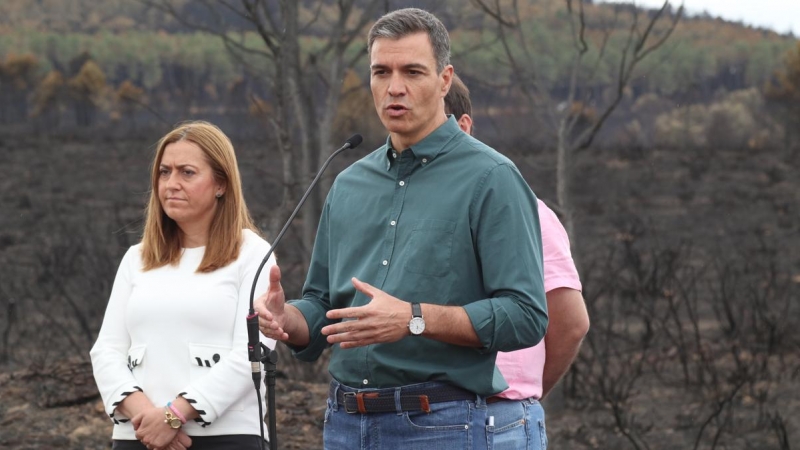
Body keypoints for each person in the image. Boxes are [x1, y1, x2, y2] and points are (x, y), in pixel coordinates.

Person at [256, 8, 548, 449]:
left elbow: (526, 316)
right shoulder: (349, 183)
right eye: (381, 71)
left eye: (412, 71)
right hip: (344, 424)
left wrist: (413, 319)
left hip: (441, 426)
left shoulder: (492, 178)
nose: (395, 87)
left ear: (445, 79)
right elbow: (323, 306)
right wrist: (288, 320)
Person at [90, 121, 276, 450]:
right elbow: (106, 351)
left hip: (226, 437)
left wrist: (174, 416)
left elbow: (252, 353)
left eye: (187, 173)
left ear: (221, 183)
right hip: (139, 437)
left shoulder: (252, 254)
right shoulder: (137, 258)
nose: (171, 184)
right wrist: (149, 417)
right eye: (164, 172)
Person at [445, 73, 590, 449]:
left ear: (464, 126)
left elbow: (571, 322)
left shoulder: (527, 210)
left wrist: (523, 396)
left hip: (498, 420)